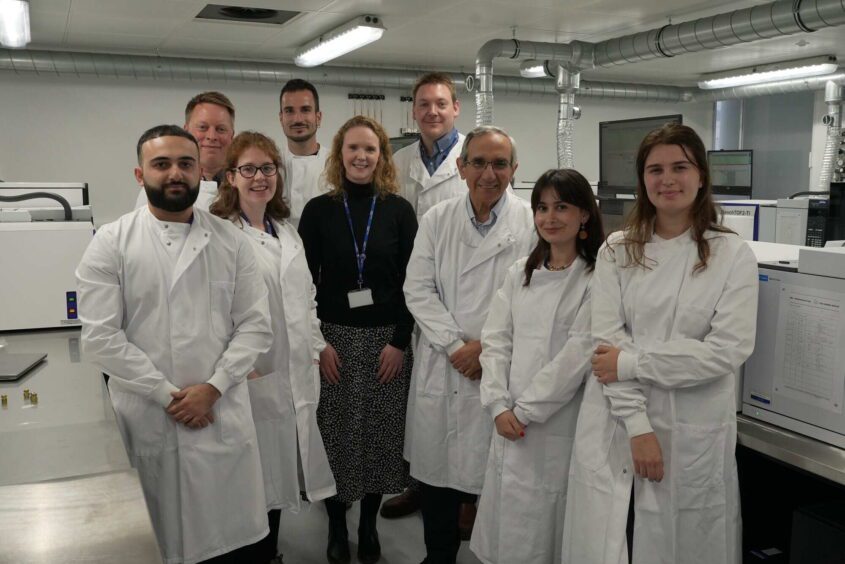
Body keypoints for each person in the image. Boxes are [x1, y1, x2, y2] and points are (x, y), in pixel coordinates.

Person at [561, 123, 759, 564]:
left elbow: (726, 350)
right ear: (642, 179)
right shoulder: (617, 250)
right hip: (618, 421)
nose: (667, 179)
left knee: (687, 541)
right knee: (614, 539)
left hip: (693, 430)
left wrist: (630, 363)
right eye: (655, 169)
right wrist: (638, 427)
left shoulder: (731, 254)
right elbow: (604, 344)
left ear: (702, 176)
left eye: (680, 167)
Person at [77, 124, 272, 564]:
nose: (175, 174)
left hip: (220, 413)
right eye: (161, 164)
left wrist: (214, 388)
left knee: (228, 547)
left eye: (185, 163)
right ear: (139, 173)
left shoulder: (232, 242)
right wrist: (170, 396)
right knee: (155, 544)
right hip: (150, 415)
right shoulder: (111, 243)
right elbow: (102, 338)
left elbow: (256, 327)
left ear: (202, 171)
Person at [403, 125, 535, 564]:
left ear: (514, 170)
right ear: (460, 168)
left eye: (499, 163)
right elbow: (417, 290)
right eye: (477, 162)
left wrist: (486, 348)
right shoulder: (437, 220)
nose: (488, 173)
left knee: (495, 479)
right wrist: (455, 344)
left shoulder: (533, 224)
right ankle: (437, 557)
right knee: (438, 480)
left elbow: (537, 299)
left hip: (501, 369)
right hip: (445, 363)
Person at [209, 131, 337, 564]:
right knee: (251, 477)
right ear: (231, 177)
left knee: (280, 471)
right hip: (251, 372)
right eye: (249, 169)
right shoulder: (221, 234)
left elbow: (306, 296)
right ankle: (254, 553)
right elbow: (212, 309)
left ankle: (272, 552)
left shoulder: (287, 231)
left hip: (294, 368)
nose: (260, 177)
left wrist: (316, 345)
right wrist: (236, 366)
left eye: (267, 168)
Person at [298, 115, 418, 564]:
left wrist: (401, 342)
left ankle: (368, 525)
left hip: (387, 340)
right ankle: (335, 522)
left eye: (370, 149)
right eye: (353, 148)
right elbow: (302, 286)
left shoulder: (399, 211)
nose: (361, 157)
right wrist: (317, 344)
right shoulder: (319, 211)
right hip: (334, 342)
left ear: (381, 156)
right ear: (339, 154)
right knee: (336, 435)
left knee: (379, 437)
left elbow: (415, 282)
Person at [470, 169, 603, 564]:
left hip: (554, 423)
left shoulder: (596, 279)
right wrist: (497, 404)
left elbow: (577, 356)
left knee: (546, 531)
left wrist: (524, 411)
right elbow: (495, 341)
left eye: (562, 207)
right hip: (506, 418)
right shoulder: (520, 273)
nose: (550, 217)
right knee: (505, 527)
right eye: (542, 207)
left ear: (584, 215)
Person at [135, 91, 236, 210]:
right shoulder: (156, 190)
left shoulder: (249, 187)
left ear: (232, 136)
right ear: (186, 131)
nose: (211, 136)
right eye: (203, 127)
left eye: (221, 129)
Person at [393, 72, 465, 221]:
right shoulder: (398, 161)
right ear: (413, 111)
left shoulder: (477, 157)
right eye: (424, 104)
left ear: (456, 108)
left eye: (441, 104)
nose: (432, 112)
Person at [278, 79, 330, 227]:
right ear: (281, 118)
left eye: (305, 110)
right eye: (289, 111)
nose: (298, 119)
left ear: (318, 117)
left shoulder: (336, 164)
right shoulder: (269, 165)